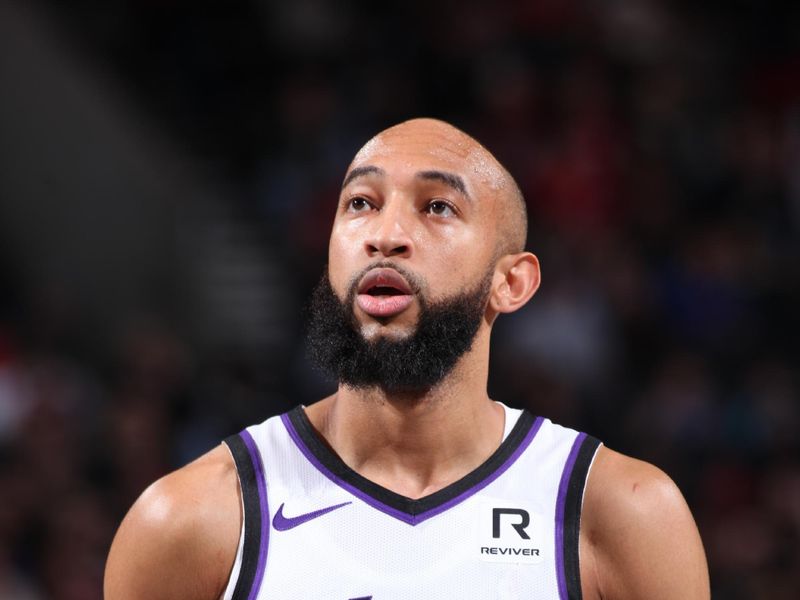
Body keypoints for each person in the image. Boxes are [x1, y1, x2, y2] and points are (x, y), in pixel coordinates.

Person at [104, 118, 710, 599]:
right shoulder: (189, 521)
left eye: (437, 207)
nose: (385, 234)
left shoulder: (620, 514)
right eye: (360, 203)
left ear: (512, 283)